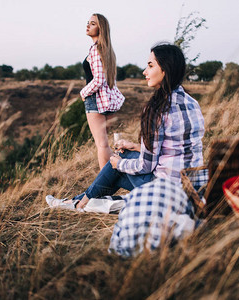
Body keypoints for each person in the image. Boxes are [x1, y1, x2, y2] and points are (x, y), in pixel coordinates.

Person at [46, 43, 205, 210]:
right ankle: (77, 202)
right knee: (125, 155)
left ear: (165, 70)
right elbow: (174, 147)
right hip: (192, 186)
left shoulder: (157, 109)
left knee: (118, 162)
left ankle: (78, 203)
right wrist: (137, 147)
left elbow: (146, 166)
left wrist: (118, 164)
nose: (145, 72)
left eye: (150, 66)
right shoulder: (192, 103)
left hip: (165, 191)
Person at [81, 13, 125, 169]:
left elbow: (99, 79)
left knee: (102, 145)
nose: (88, 25)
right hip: (106, 100)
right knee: (105, 143)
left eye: (92, 23)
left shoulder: (96, 49)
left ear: (101, 28)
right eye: (88, 22)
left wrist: (83, 92)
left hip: (95, 100)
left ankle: (103, 184)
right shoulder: (107, 50)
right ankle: (112, 177)